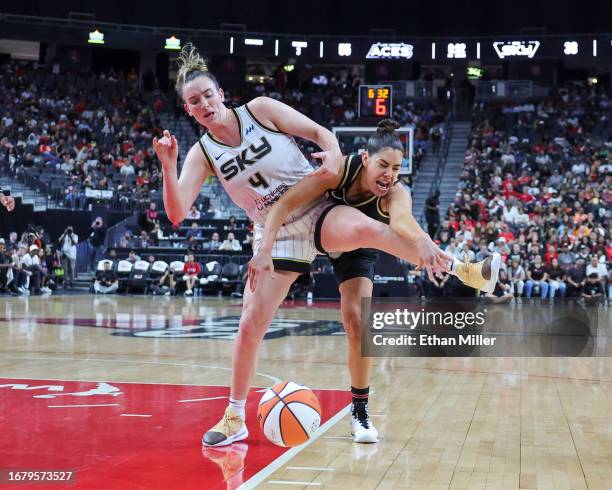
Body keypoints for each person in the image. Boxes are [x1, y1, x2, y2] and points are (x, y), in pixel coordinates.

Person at [155, 46, 495, 448]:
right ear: (188, 110)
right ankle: (234, 417)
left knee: (370, 231)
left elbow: (321, 134)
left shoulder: (260, 109)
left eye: (208, 94)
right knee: (249, 325)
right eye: (194, 102)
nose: (204, 104)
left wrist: (332, 153)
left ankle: (466, 271)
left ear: (221, 93)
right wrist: (168, 162)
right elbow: (176, 213)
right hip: (275, 230)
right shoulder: (202, 153)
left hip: (314, 205)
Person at [249, 120, 501, 443]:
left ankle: (359, 411)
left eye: (396, 168)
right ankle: (464, 269)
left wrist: (422, 237)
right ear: (366, 158)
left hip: (356, 248)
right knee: (255, 314)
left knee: (357, 323)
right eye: (383, 165)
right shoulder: (340, 169)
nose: (390, 174)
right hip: (308, 230)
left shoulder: (396, 192)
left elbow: (401, 220)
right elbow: (283, 204)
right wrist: (264, 249)